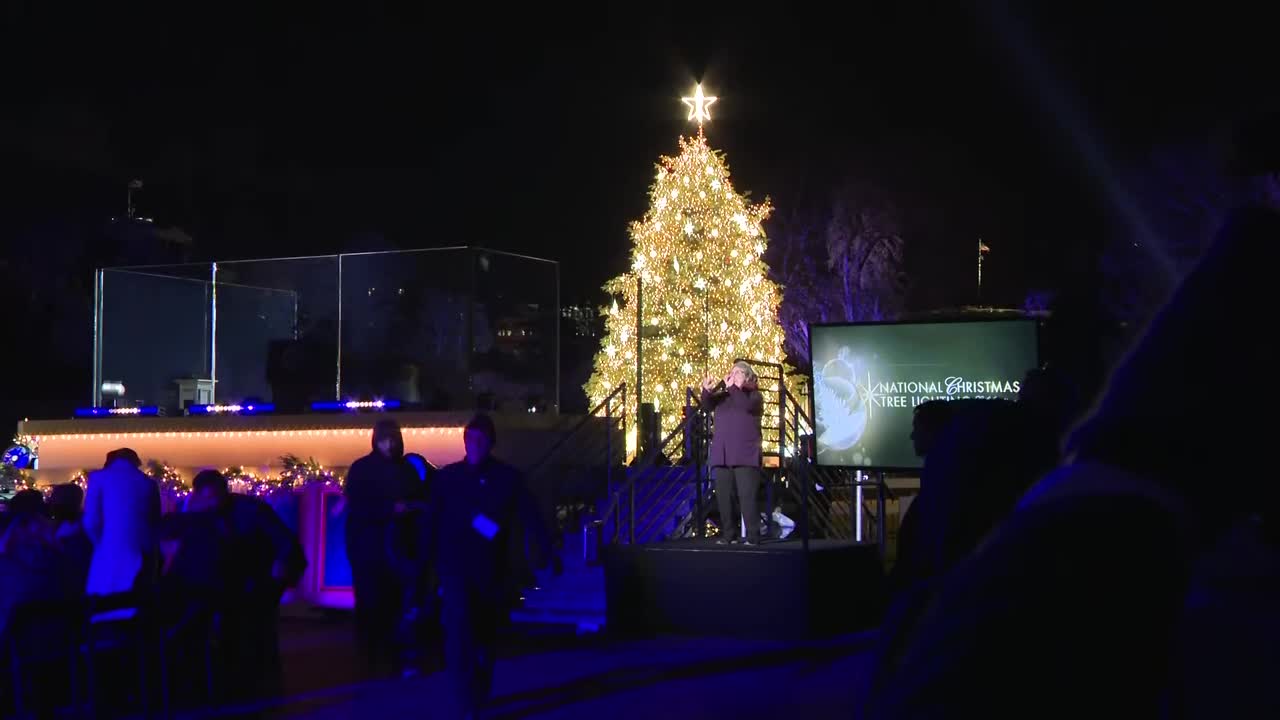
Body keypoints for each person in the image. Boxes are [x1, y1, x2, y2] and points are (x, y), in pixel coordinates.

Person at [431, 413, 557, 719]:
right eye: (470, 439)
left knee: (485, 634)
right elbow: (431, 522)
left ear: (490, 443)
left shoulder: (507, 478)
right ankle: (467, 700)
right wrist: (426, 564)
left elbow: (530, 516)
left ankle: (479, 687)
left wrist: (546, 549)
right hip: (455, 567)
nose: (474, 445)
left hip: (490, 569)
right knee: (459, 632)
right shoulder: (448, 478)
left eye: (480, 440)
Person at [184, 470, 306, 702]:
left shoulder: (251, 509)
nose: (211, 503)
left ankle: (264, 682)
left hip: (266, 573)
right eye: (206, 499)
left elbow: (284, 541)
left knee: (257, 624)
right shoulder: (200, 512)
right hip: (237, 576)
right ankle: (239, 680)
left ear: (224, 492)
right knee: (234, 623)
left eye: (215, 497)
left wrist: (280, 564)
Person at [342, 419, 421, 677]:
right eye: (386, 439)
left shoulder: (405, 469)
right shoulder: (363, 469)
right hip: (370, 549)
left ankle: (391, 657)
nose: (391, 444)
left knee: (396, 604)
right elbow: (357, 506)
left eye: (394, 439)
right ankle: (370, 658)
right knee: (371, 604)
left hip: (397, 548)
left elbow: (419, 500)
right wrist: (389, 510)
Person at [701, 361, 765, 545]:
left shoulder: (754, 396)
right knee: (723, 498)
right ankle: (729, 534)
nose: (733, 375)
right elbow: (707, 406)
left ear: (747, 377)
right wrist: (706, 391)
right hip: (723, 455)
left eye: (738, 373)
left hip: (745, 455)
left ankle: (753, 536)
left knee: (747, 497)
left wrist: (734, 389)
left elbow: (744, 406)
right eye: (732, 372)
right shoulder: (725, 396)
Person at [83, 448, 161, 598]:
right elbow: (154, 522)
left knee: (105, 602)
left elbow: (90, 521)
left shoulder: (98, 478)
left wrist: (100, 543)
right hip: (139, 554)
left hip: (106, 553)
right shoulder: (147, 483)